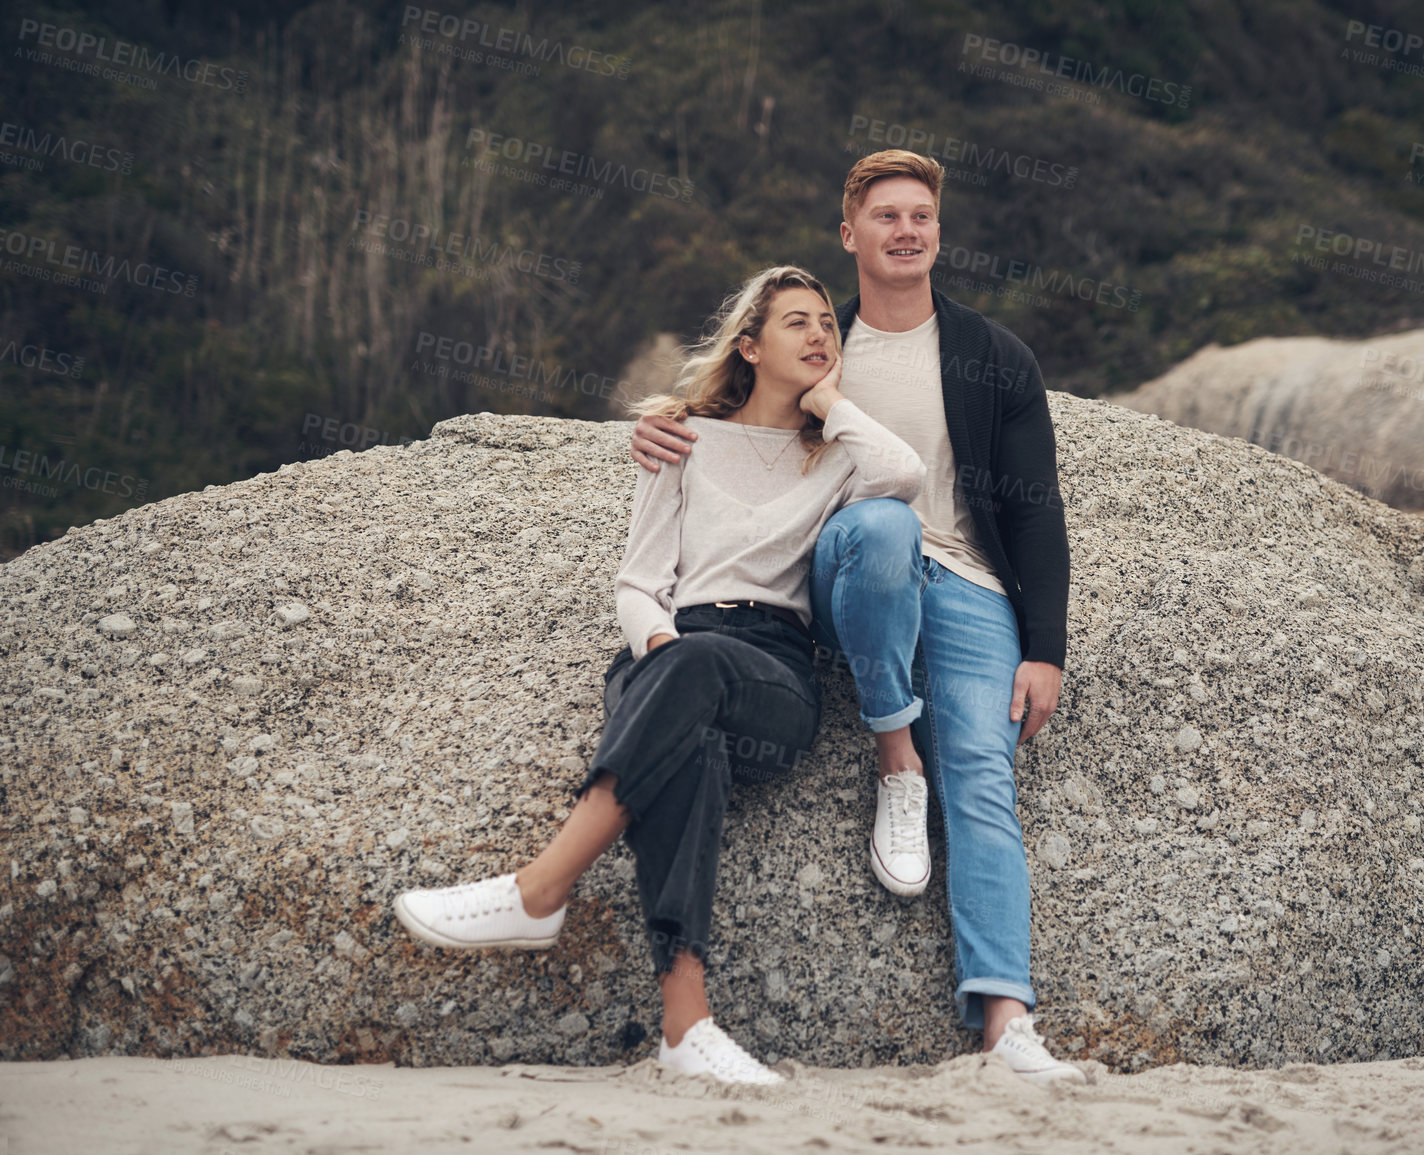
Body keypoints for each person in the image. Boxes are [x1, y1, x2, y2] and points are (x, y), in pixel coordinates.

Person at [393, 265, 926, 1085]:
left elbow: (904, 477)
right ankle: (687, 1027)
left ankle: (541, 888)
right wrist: (656, 648)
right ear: (748, 346)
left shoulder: (837, 455)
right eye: (796, 323)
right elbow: (639, 582)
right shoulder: (683, 439)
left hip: (772, 675)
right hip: (670, 654)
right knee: (691, 743)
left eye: (827, 322)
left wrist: (830, 407)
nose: (821, 334)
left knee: (702, 675)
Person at [631, 151, 1080, 1083]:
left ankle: (1006, 1023)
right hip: (845, 577)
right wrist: (652, 421)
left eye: (921, 216)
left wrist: (1045, 648)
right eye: (886, 216)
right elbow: (718, 414)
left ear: (938, 233)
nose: (906, 230)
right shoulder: (815, 339)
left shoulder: (993, 355)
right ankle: (892, 755)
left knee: (985, 774)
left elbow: (1034, 505)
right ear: (850, 234)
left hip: (966, 585)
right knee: (880, 523)